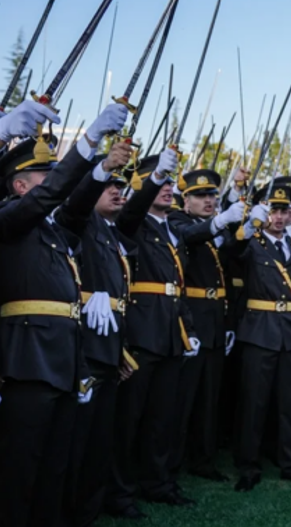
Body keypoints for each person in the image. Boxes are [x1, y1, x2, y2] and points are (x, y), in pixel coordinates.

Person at [0, 101, 127, 527]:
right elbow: (52, 195)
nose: (54, 185)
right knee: (19, 467)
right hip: (27, 359)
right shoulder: (4, 218)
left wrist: (100, 169)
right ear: (20, 186)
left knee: (54, 466)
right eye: (44, 178)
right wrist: (87, 142)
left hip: (63, 360)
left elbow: (75, 207)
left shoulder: (52, 231)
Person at [106, 148, 204, 516]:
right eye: (156, 182)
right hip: (141, 332)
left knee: (163, 417)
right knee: (129, 419)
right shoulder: (131, 221)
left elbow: (178, 287)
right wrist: (154, 178)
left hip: (170, 332)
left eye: (167, 181)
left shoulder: (172, 229)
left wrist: (187, 329)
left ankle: (158, 482)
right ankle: (120, 492)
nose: (166, 188)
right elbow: (132, 211)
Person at [59, 142, 136, 527]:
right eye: (109, 186)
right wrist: (100, 169)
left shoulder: (110, 232)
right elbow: (75, 207)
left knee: (99, 439)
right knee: (77, 439)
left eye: (120, 186)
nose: (116, 191)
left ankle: (89, 510)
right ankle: (69, 510)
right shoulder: (80, 222)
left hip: (107, 346)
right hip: (83, 347)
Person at [232, 183, 291, 491]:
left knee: (289, 403)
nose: (280, 217)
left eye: (284, 211)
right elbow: (231, 252)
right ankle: (248, 466)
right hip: (260, 331)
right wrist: (247, 225)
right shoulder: (252, 244)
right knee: (254, 403)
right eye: (274, 211)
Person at [168, 169, 244, 484]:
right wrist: (221, 220)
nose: (208, 200)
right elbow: (191, 236)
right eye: (200, 196)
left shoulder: (215, 228)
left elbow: (230, 265)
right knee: (183, 398)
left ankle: (203, 459)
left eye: (212, 195)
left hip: (215, 320)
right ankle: (171, 463)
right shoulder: (177, 221)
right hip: (191, 320)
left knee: (209, 399)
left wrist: (244, 227)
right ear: (185, 201)